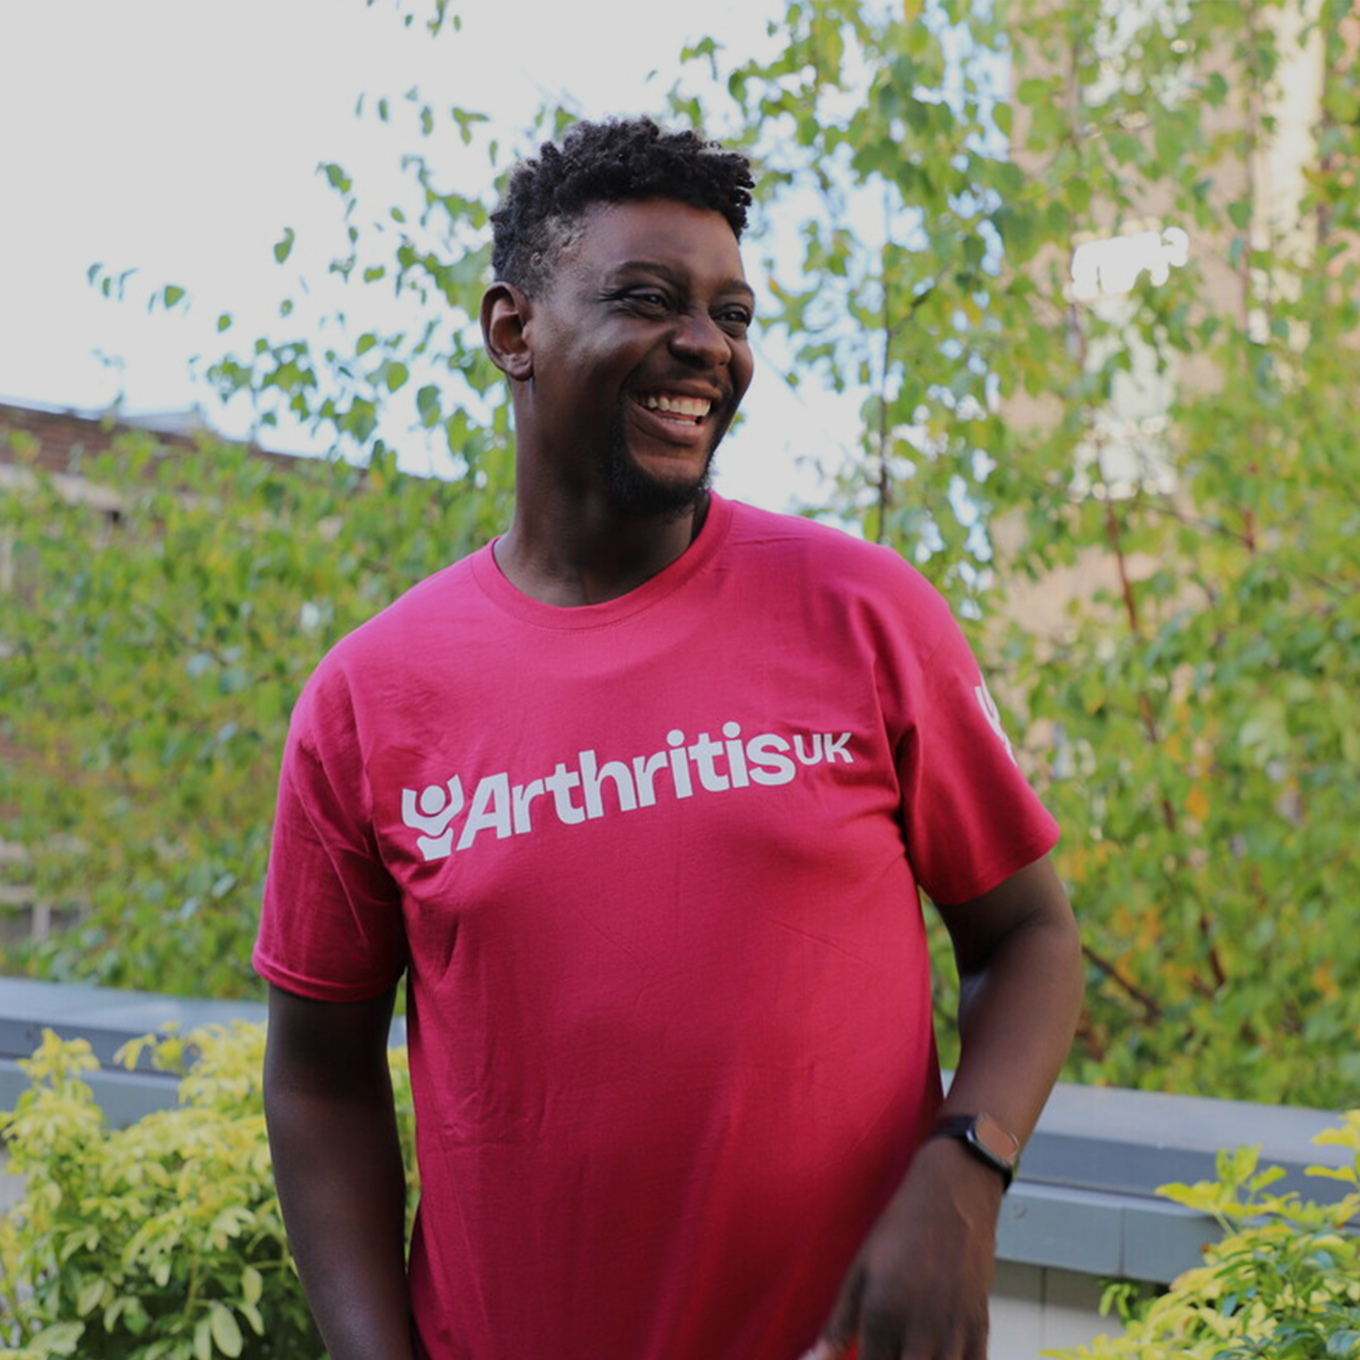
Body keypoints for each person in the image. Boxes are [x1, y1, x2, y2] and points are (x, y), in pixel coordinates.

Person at [256, 116, 1084, 1360]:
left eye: (731, 314)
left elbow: (1026, 937)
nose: (703, 346)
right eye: (648, 299)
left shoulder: (861, 614)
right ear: (512, 329)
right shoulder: (372, 697)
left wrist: (965, 1172)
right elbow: (319, 1073)